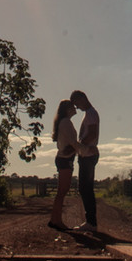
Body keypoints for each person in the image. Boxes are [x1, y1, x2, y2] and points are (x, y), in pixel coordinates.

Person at [70, 89, 99, 232]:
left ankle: (91, 223)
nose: (77, 108)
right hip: (86, 154)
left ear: (82, 99)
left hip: (88, 154)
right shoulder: (89, 114)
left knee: (85, 188)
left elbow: (92, 134)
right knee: (85, 188)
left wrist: (80, 144)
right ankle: (91, 222)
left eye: (77, 104)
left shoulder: (91, 114)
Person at [48, 98, 79, 230]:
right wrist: (84, 148)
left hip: (64, 158)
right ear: (68, 109)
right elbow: (73, 143)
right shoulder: (66, 122)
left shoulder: (64, 122)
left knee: (62, 191)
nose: (75, 109)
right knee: (62, 191)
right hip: (65, 158)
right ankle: (57, 221)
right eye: (73, 107)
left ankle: (54, 219)